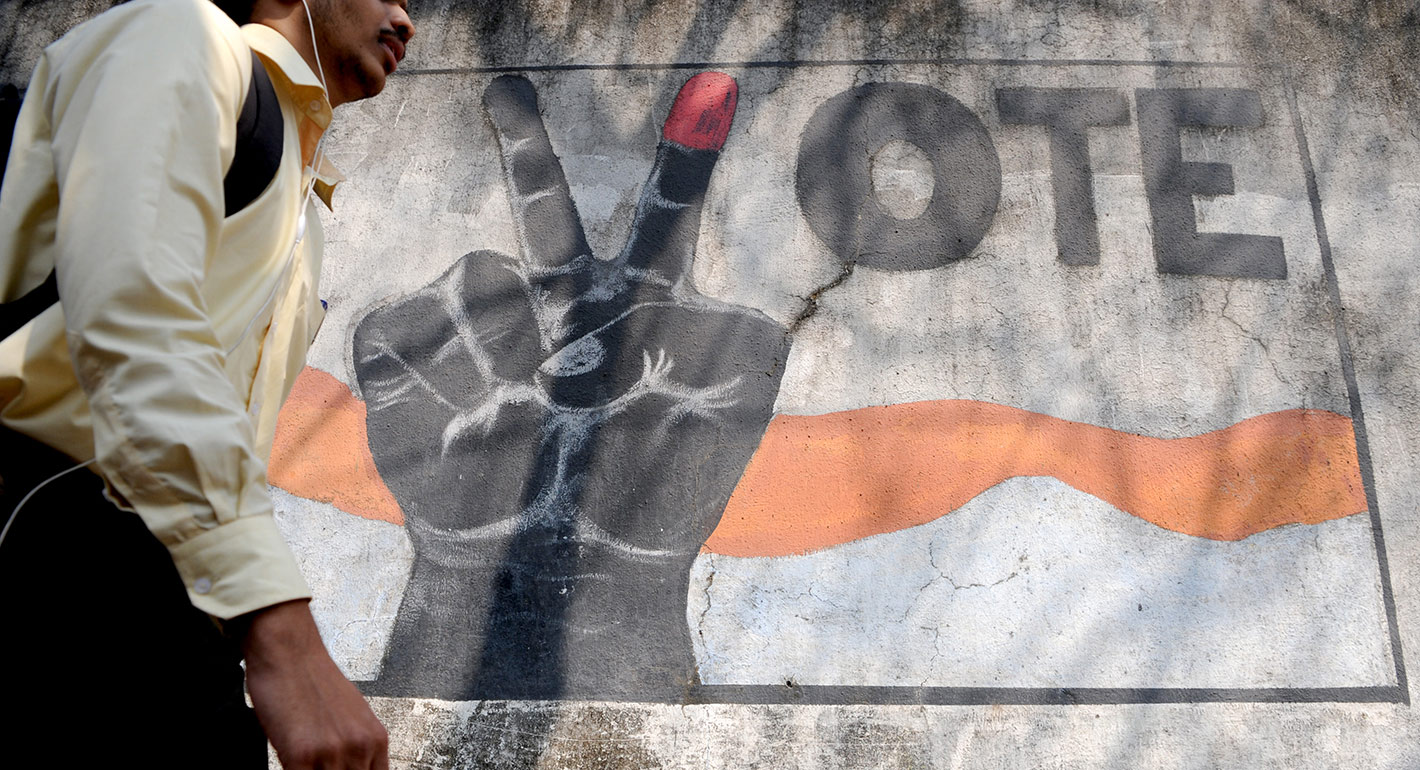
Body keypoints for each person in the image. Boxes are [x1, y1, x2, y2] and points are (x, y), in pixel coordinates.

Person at [0, 0, 413, 767]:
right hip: (56, 555)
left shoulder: (305, 213)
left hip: (187, 612)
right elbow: (136, 321)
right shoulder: (181, 37)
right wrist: (279, 627)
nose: (406, 18)